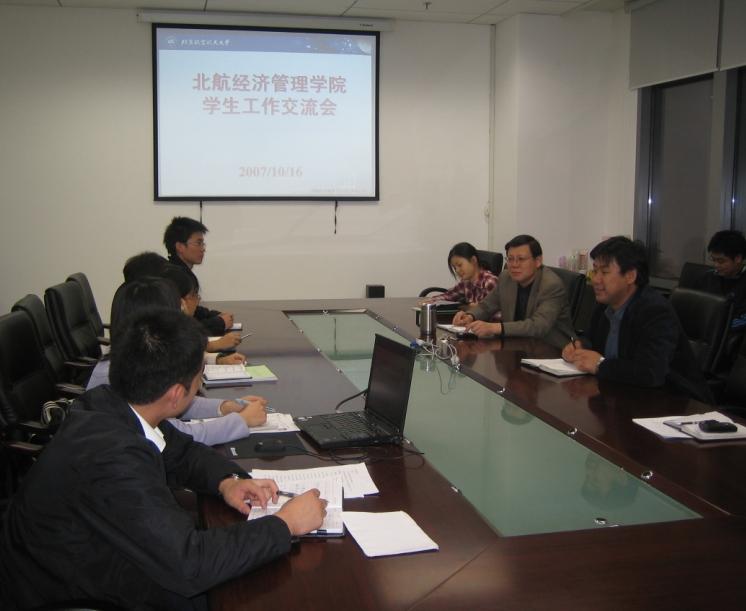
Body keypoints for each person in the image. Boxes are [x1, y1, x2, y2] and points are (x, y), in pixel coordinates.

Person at [0, 308, 327, 610]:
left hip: (98, 552)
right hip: (69, 587)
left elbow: (181, 452)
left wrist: (227, 482)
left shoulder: (112, 403)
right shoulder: (112, 458)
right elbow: (190, 563)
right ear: (176, 395)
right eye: (199, 376)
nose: (199, 383)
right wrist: (285, 524)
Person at [87, 278, 266, 446]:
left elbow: (178, 402)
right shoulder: (121, 374)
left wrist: (224, 407)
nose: (184, 311)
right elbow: (175, 437)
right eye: (177, 308)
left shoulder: (138, 358)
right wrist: (241, 421)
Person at [561, 236, 711, 402]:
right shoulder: (605, 305)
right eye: (595, 271)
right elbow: (591, 339)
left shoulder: (655, 311)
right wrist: (580, 346)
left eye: (604, 272)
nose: (595, 279)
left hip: (675, 403)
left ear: (630, 276)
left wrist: (600, 365)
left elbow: (650, 373)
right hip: (622, 396)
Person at [452, 234, 574, 348]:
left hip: (551, 349)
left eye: (521, 259)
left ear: (538, 261)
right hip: (516, 344)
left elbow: (538, 326)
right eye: (510, 259)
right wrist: (470, 316)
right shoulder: (506, 278)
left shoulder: (551, 285)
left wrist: (494, 327)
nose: (514, 265)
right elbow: (486, 306)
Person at [163, 216, 234, 335]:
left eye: (203, 244)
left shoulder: (180, 272)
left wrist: (215, 315)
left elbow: (192, 311)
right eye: (198, 243)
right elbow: (181, 329)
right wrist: (219, 323)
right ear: (180, 247)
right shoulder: (174, 278)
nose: (203, 249)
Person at [696, 230, 746, 330]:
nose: (716, 265)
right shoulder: (708, 277)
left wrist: (718, 325)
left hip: (730, 333)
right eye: (713, 260)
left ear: (738, 258)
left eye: (721, 261)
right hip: (702, 330)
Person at [422, 242, 498, 306]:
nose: (457, 270)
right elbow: (449, 295)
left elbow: (491, 312)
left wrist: (469, 309)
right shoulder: (466, 282)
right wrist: (430, 301)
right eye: (455, 268)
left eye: (460, 265)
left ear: (473, 260)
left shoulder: (490, 282)